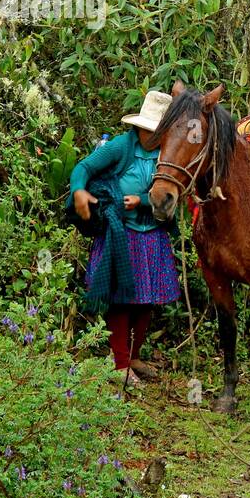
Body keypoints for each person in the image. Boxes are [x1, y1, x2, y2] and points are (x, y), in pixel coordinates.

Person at [70, 90, 180, 385]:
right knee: (120, 300)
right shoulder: (120, 147)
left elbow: (171, 196)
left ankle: (133, 356)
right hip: (122, 232)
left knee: (147, 300)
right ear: (140, 127)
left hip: (152, 233)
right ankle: (120, 365)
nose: (153, 136)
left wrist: (142, 201)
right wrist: (79, 191)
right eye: (149, 130)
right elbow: (84, 167)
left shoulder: (169, 153)